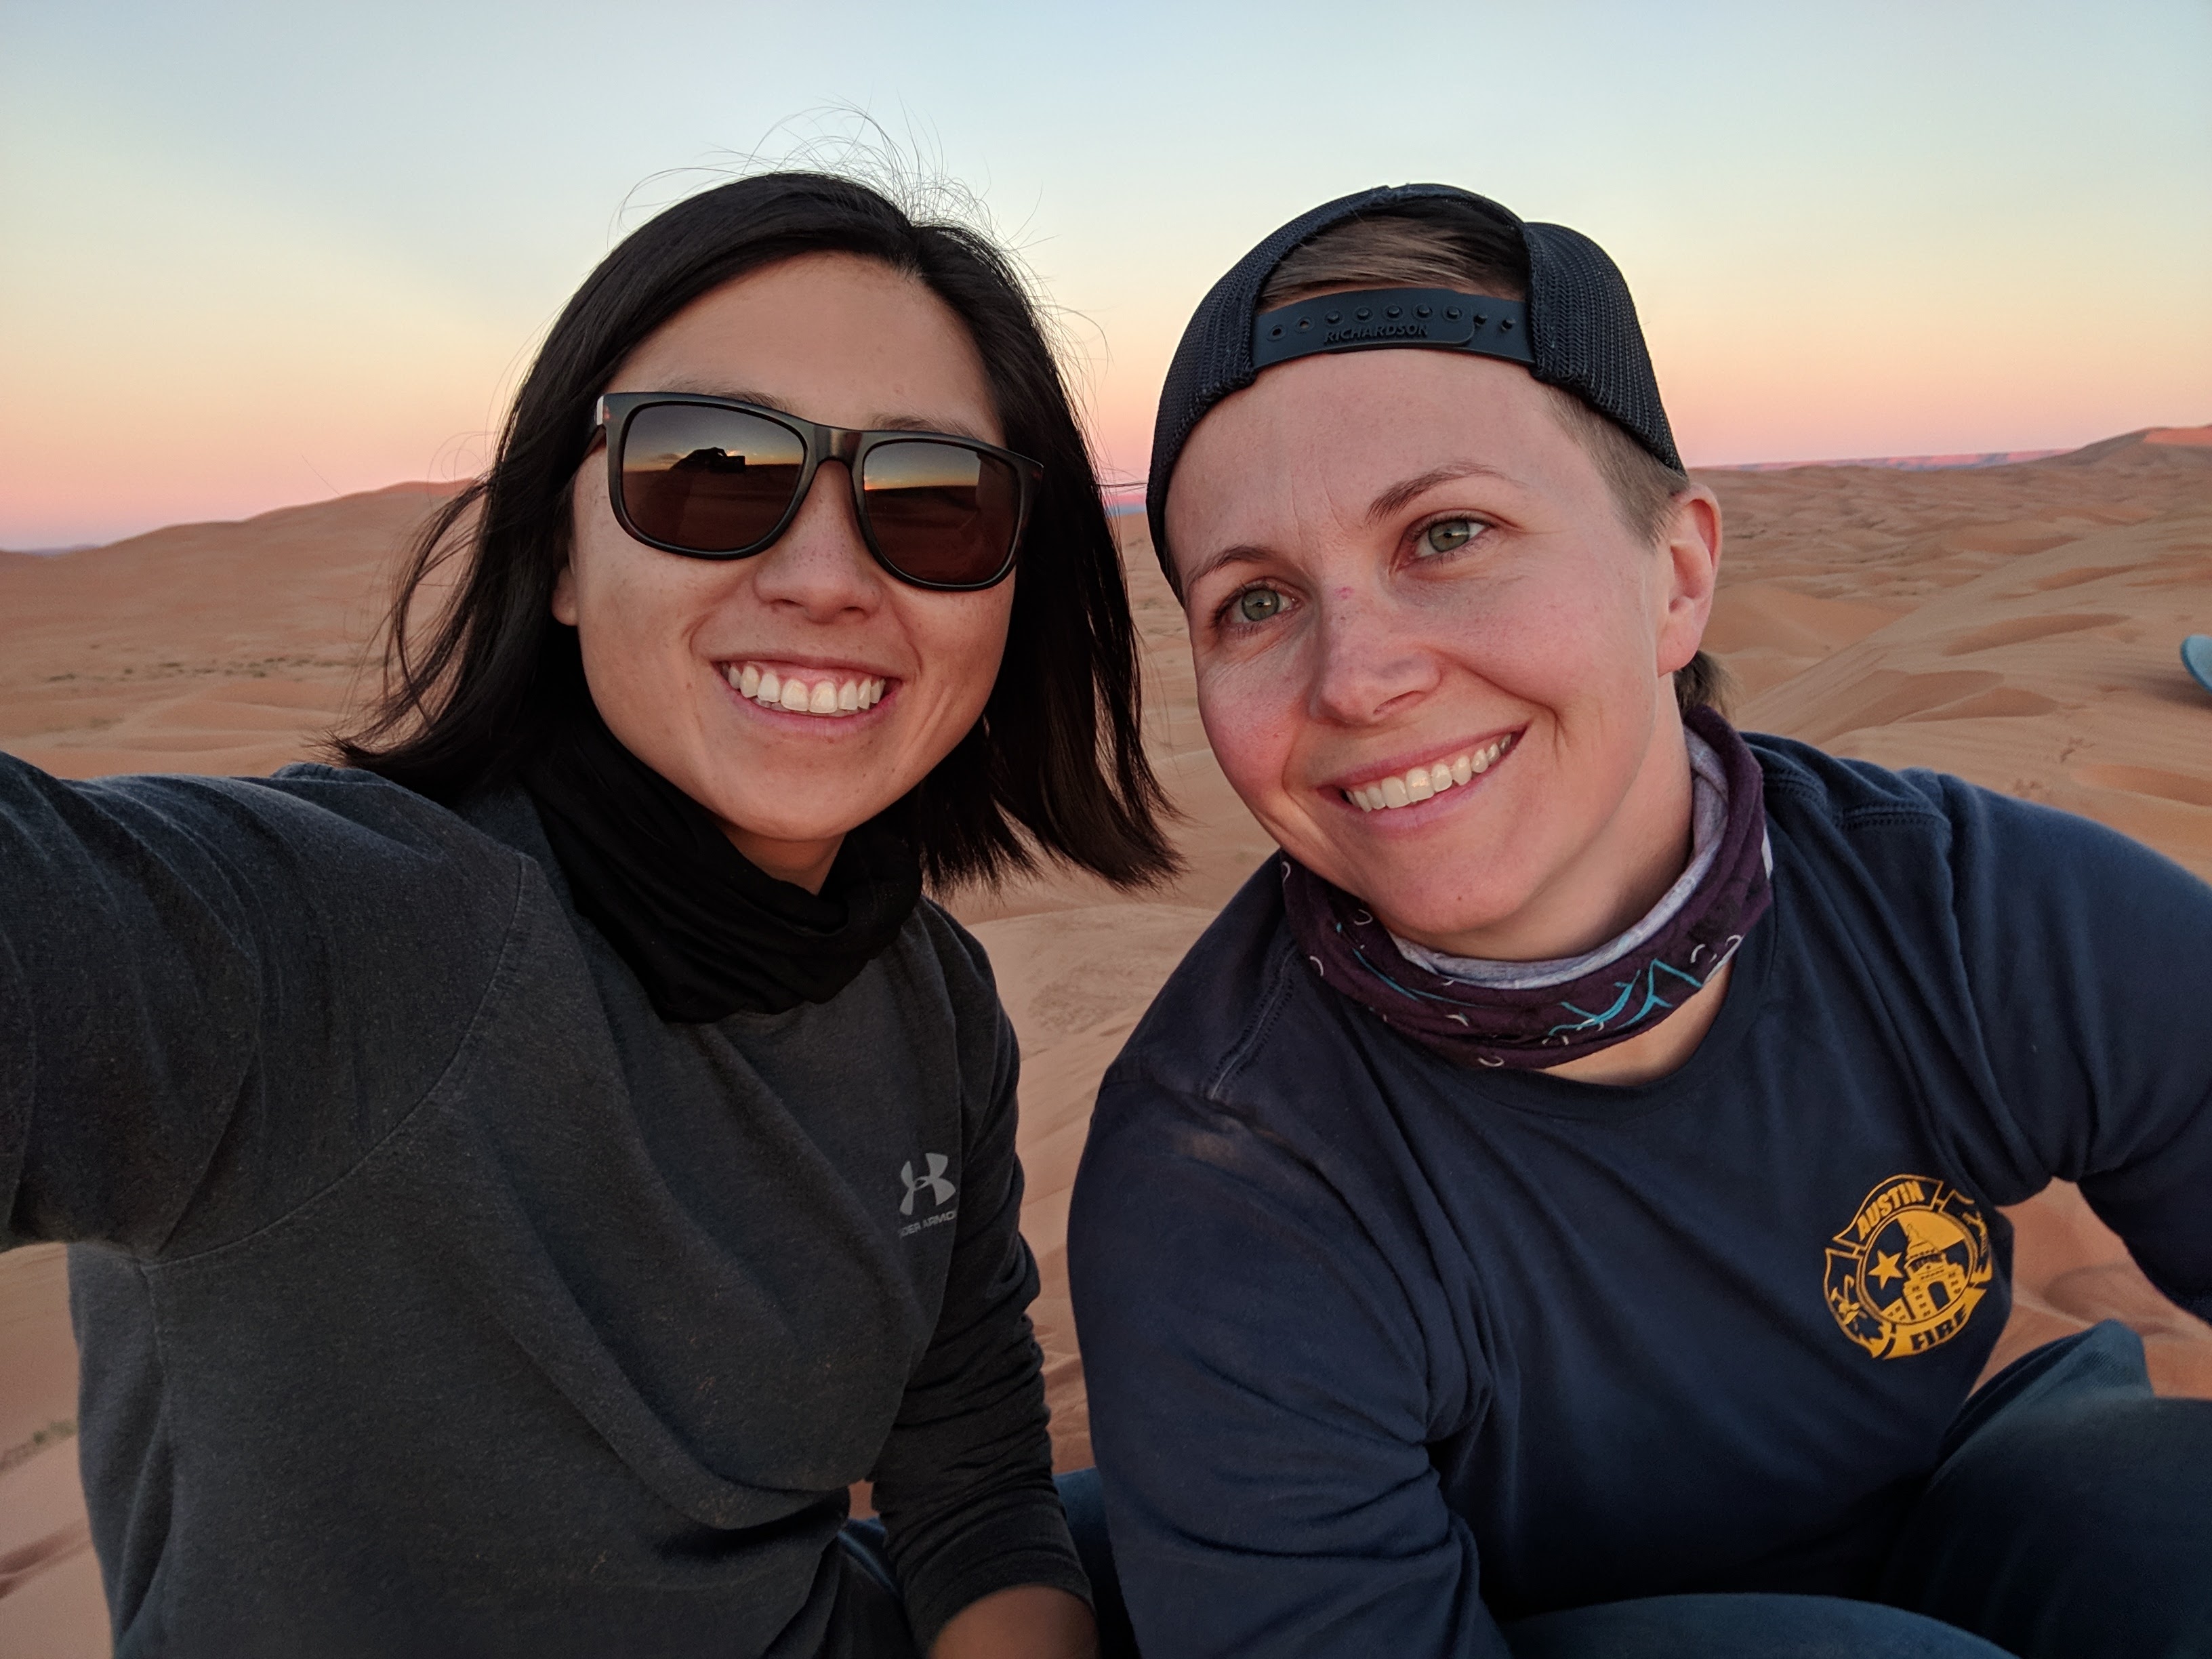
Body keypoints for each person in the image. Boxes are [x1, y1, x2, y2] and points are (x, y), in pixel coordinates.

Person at [0, 171, 1174, 1658]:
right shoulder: (335, 937)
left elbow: (977, 1481)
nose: (827, 578)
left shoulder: (930, 1003)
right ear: (560, 551)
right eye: (709, 469)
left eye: (934, 501)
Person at [1067, 184, 2212, 1658]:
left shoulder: (1970, 917)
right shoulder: (1228, 1182)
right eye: (1256, 601)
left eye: (1448, 533)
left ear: (1676, 578)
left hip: (1937, 1517)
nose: (1355, 676)